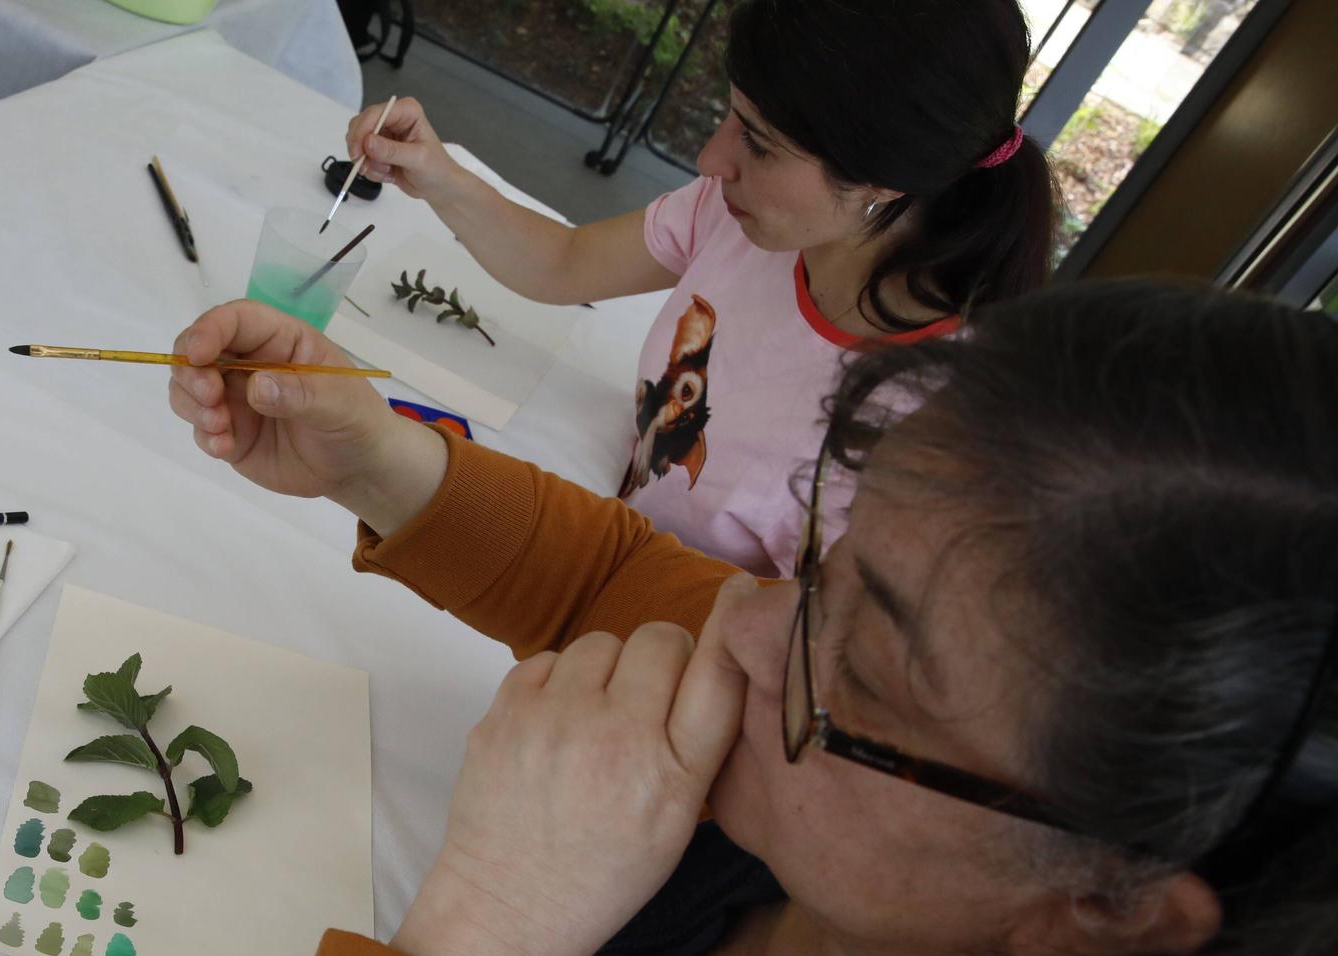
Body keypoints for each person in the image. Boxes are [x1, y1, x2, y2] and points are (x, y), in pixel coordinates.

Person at [145, 281, 1337, 956]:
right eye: (821, 565)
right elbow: (623, 583)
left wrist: (485, 927)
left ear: (1102, 915)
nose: (744, 625)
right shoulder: (909, 777)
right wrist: (377, 458)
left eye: (858, 672)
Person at [342, 0, 1055, 576]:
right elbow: (564, 263)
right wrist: (436, 173)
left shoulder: (922, 424)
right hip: (600, 542)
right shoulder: (747, 217)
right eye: (734, 117)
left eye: (760, 143)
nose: (713, 158)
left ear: (882, 180)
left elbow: (790, 653)